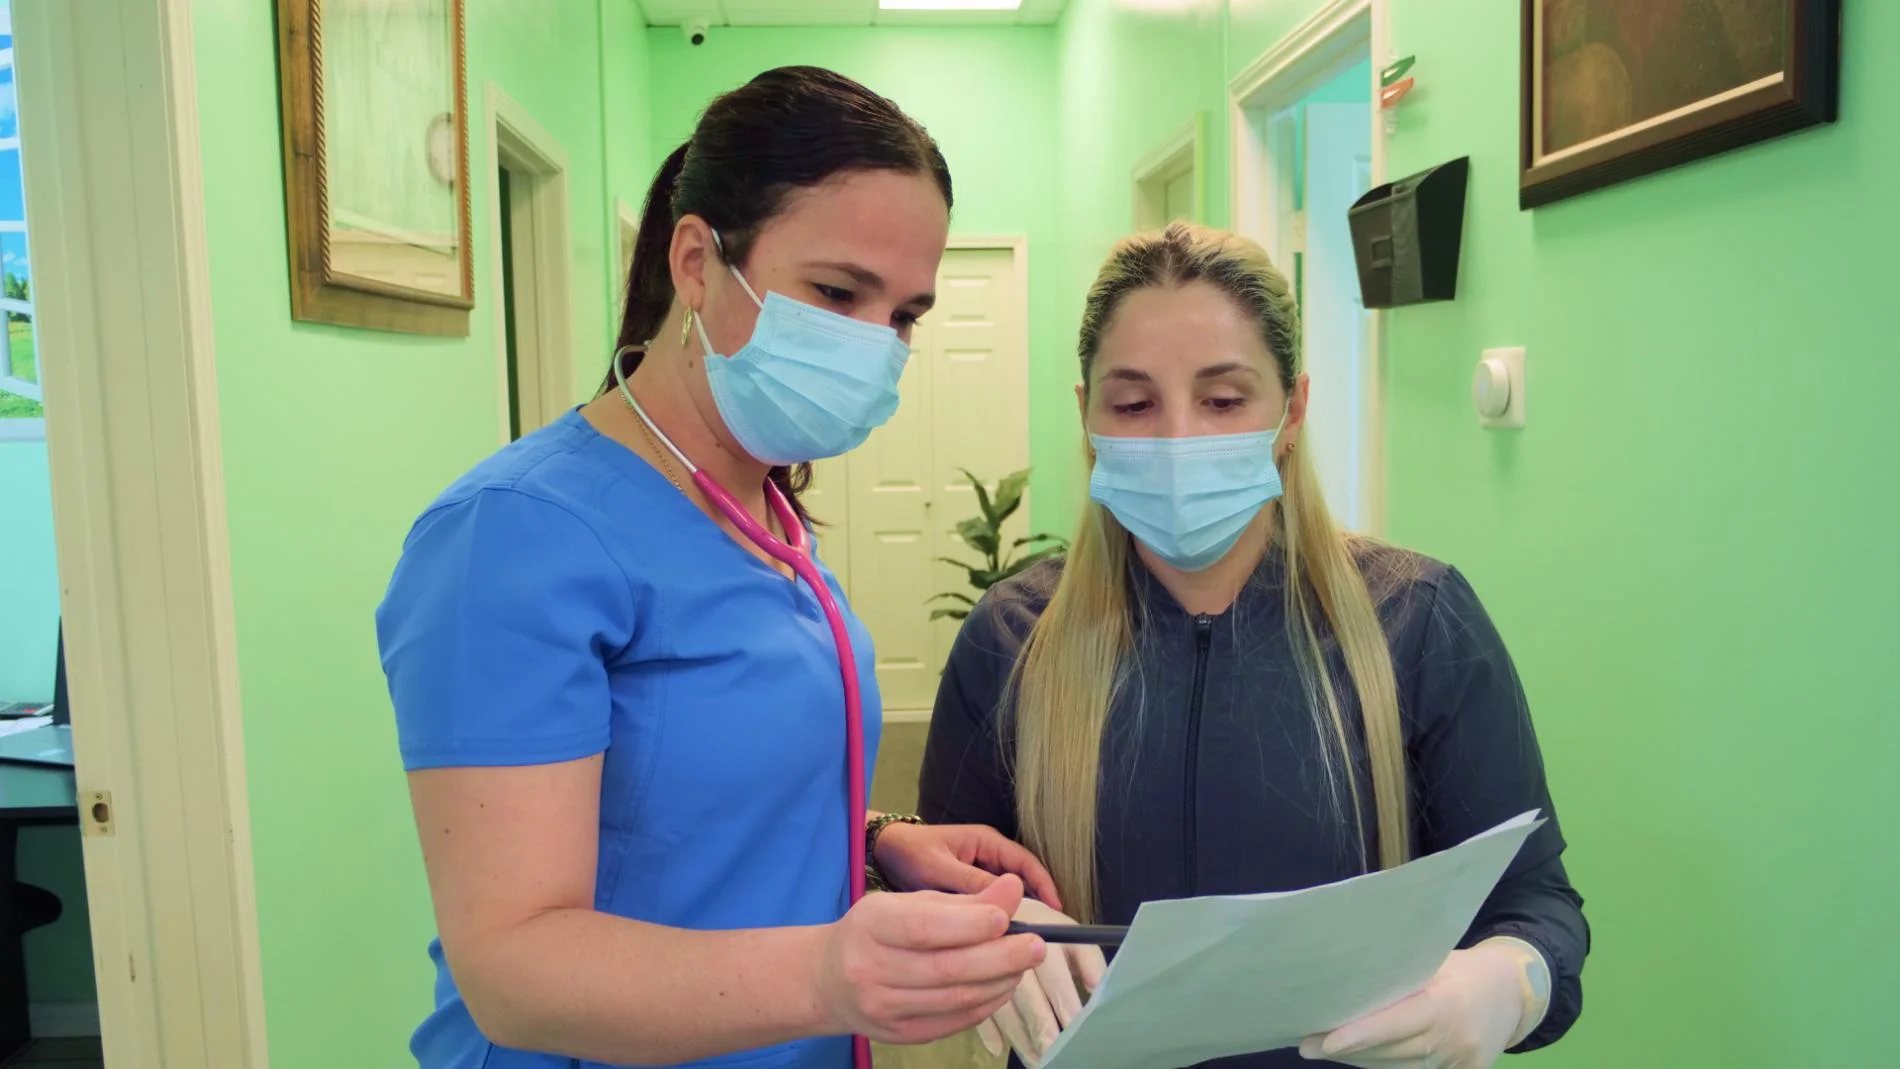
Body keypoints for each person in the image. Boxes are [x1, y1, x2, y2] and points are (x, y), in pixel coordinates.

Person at [376, 67, 1063, 1069]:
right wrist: (826, 975)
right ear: (696, 260)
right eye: (836, 292)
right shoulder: (513, 535)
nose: (874, 345)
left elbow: (677, 790)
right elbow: (511, 968)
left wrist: (872, 838)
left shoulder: (764, 507)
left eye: (904, 314)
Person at [918, 223, 1590, 1069]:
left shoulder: (1418, 621)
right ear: (1085, 413)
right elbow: (940, 887)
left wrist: (1501, 982)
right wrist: (983, 944)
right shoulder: (1011, 641)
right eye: (1132, 402)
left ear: (1292, 410)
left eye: (1224, 399)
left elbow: (1539, 904)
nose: (1177, 437)